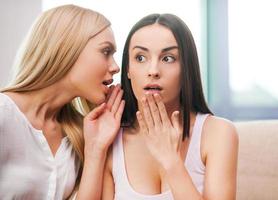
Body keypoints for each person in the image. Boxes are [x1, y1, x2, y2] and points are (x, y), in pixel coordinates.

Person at [102, 14, 238, 200]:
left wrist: (171, 161)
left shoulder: (219, 133)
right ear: (128, 69)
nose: (153, 71)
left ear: (186, 68)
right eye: (140, 57)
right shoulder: (110, 138)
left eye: (168, 58)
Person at [0, 4, 125, 200]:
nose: (115, 67)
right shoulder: (3, 116)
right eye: (106, 51)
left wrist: (95, 149)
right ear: (67, 49)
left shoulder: (78, 133)